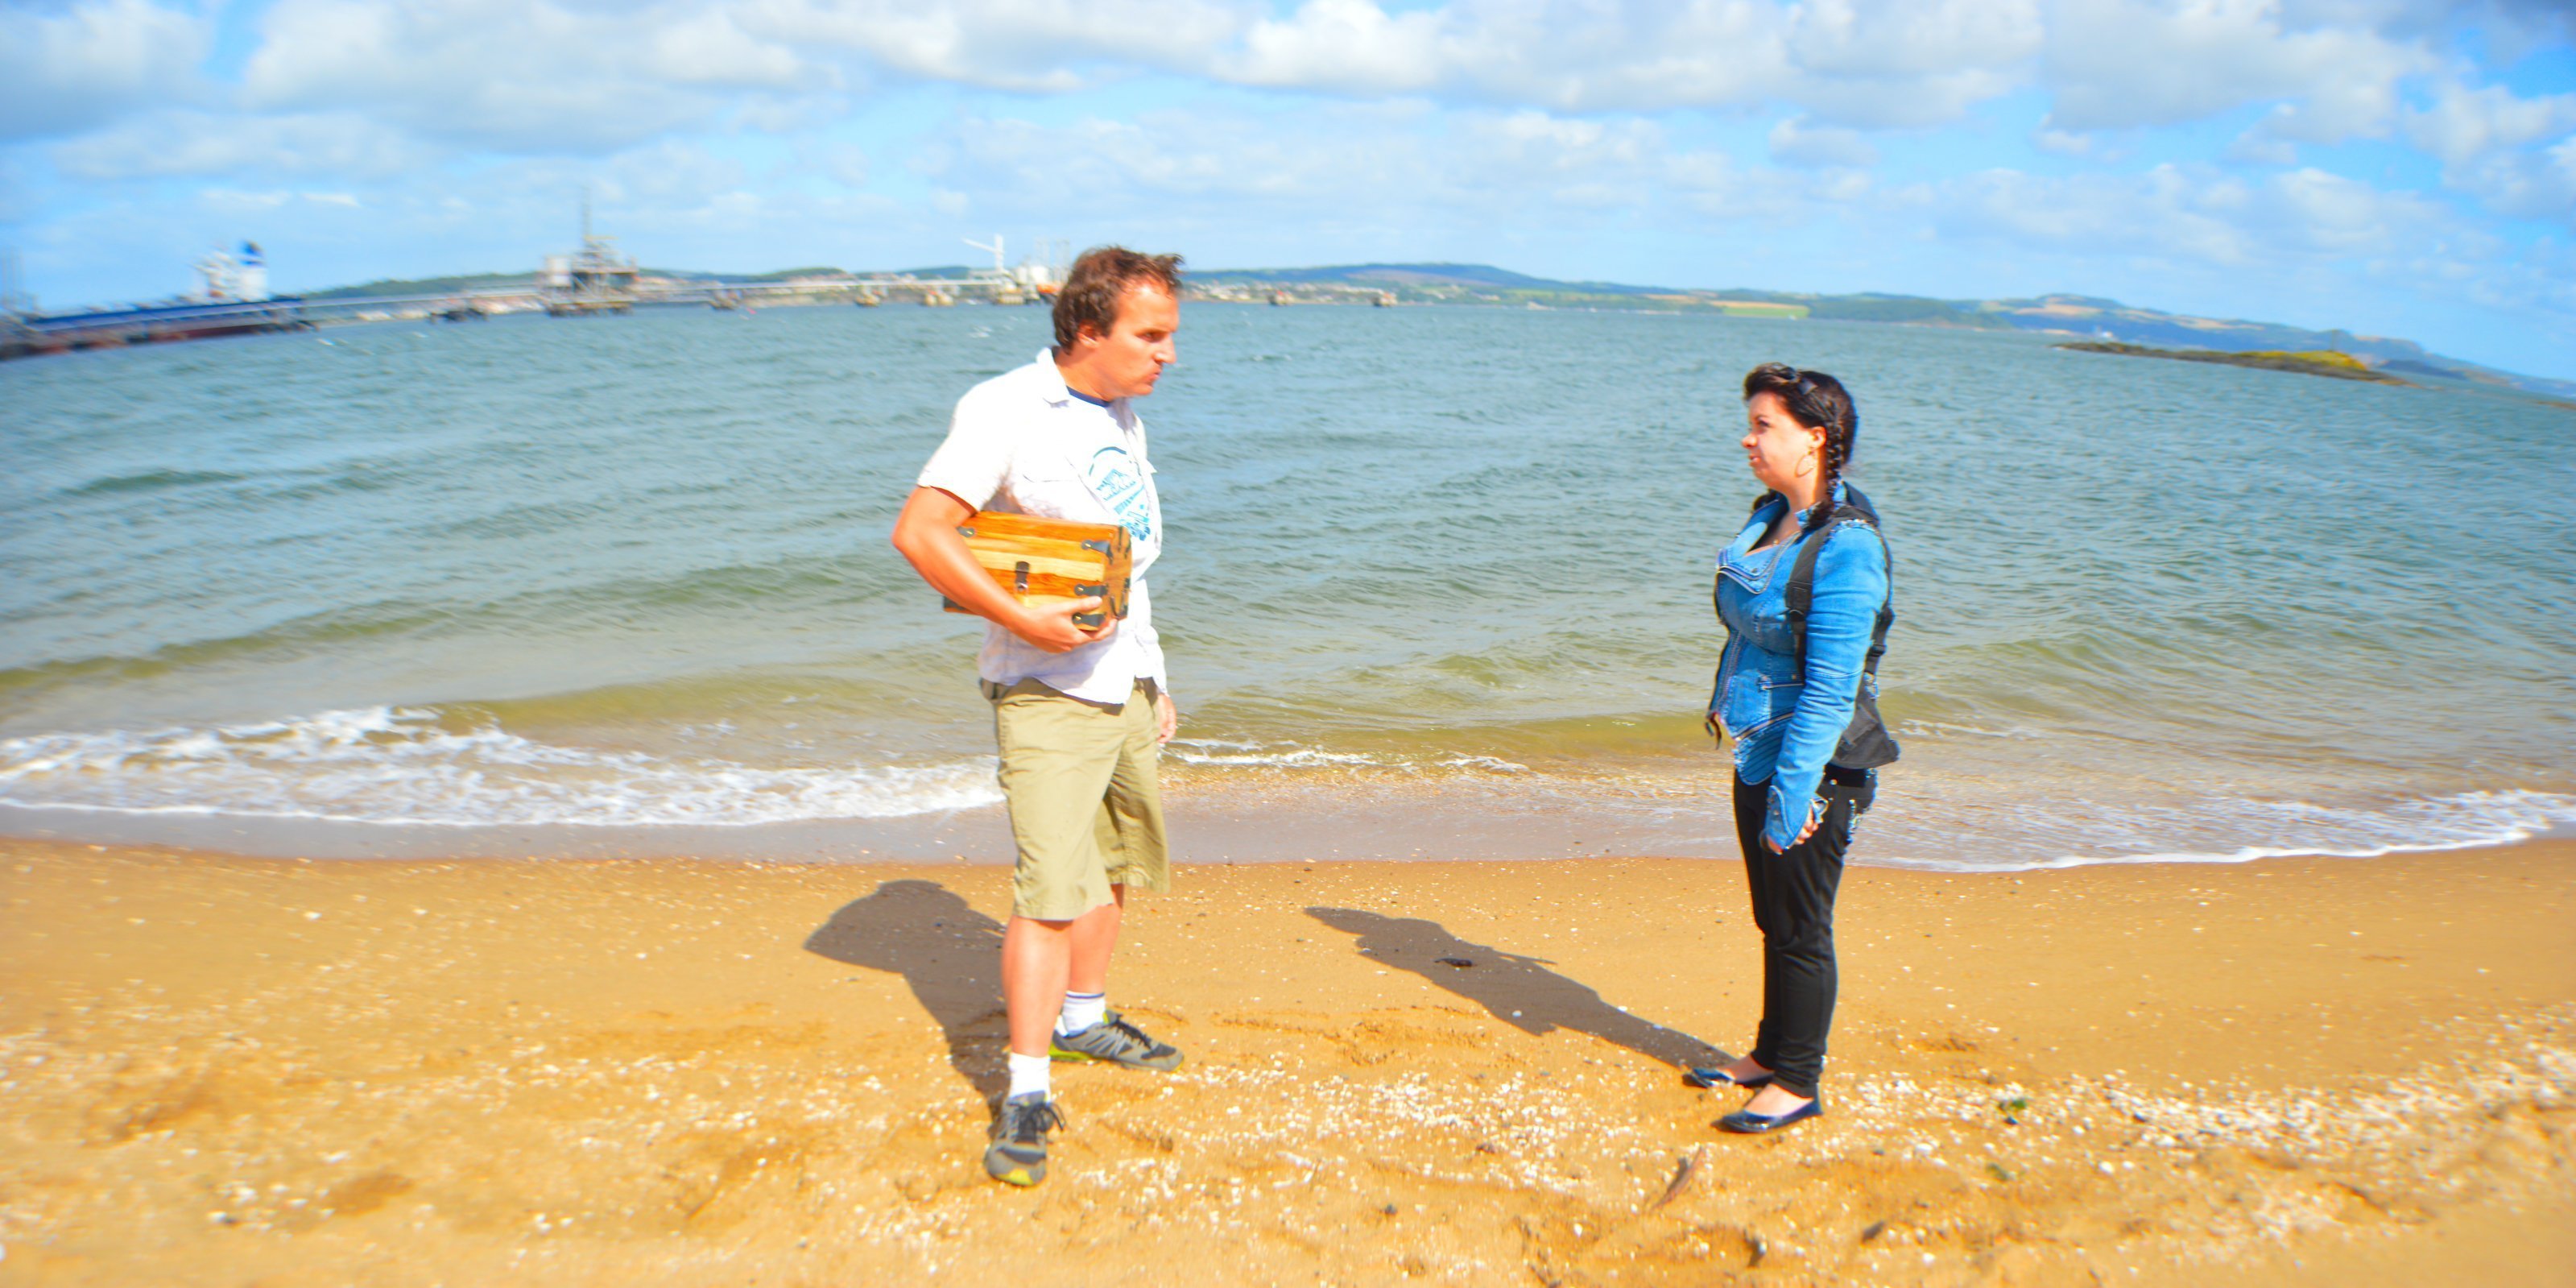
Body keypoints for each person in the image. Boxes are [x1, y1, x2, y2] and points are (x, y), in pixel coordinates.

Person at [889, 246, 1189, 1187]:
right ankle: (1024, 1088)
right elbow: (921, 531)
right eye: (1151, 336)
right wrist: (1021, 620)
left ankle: (1082, 1022)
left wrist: (1155, 675)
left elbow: (1119, 568)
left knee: (1114, 866)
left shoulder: (1119, 415)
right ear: (1087, 332)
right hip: (1049, 695)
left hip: (1124, 684)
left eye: (1169, 336)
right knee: (1050, 891)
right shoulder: (1007, 409)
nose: (1167, 355)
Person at [1690, 362, 1897, 1134]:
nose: (1747, 439)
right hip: (1757, 746)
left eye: (1762, 426)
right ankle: (1768, 1053)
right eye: (1749, 424)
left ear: (1814, 439)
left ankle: (1798, 1080)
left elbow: (1830, 688)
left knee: (1803, 924)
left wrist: (1792, 791)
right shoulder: (1774, 517)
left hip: (1814, 766)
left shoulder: (1849, 548)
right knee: (1772, 915)